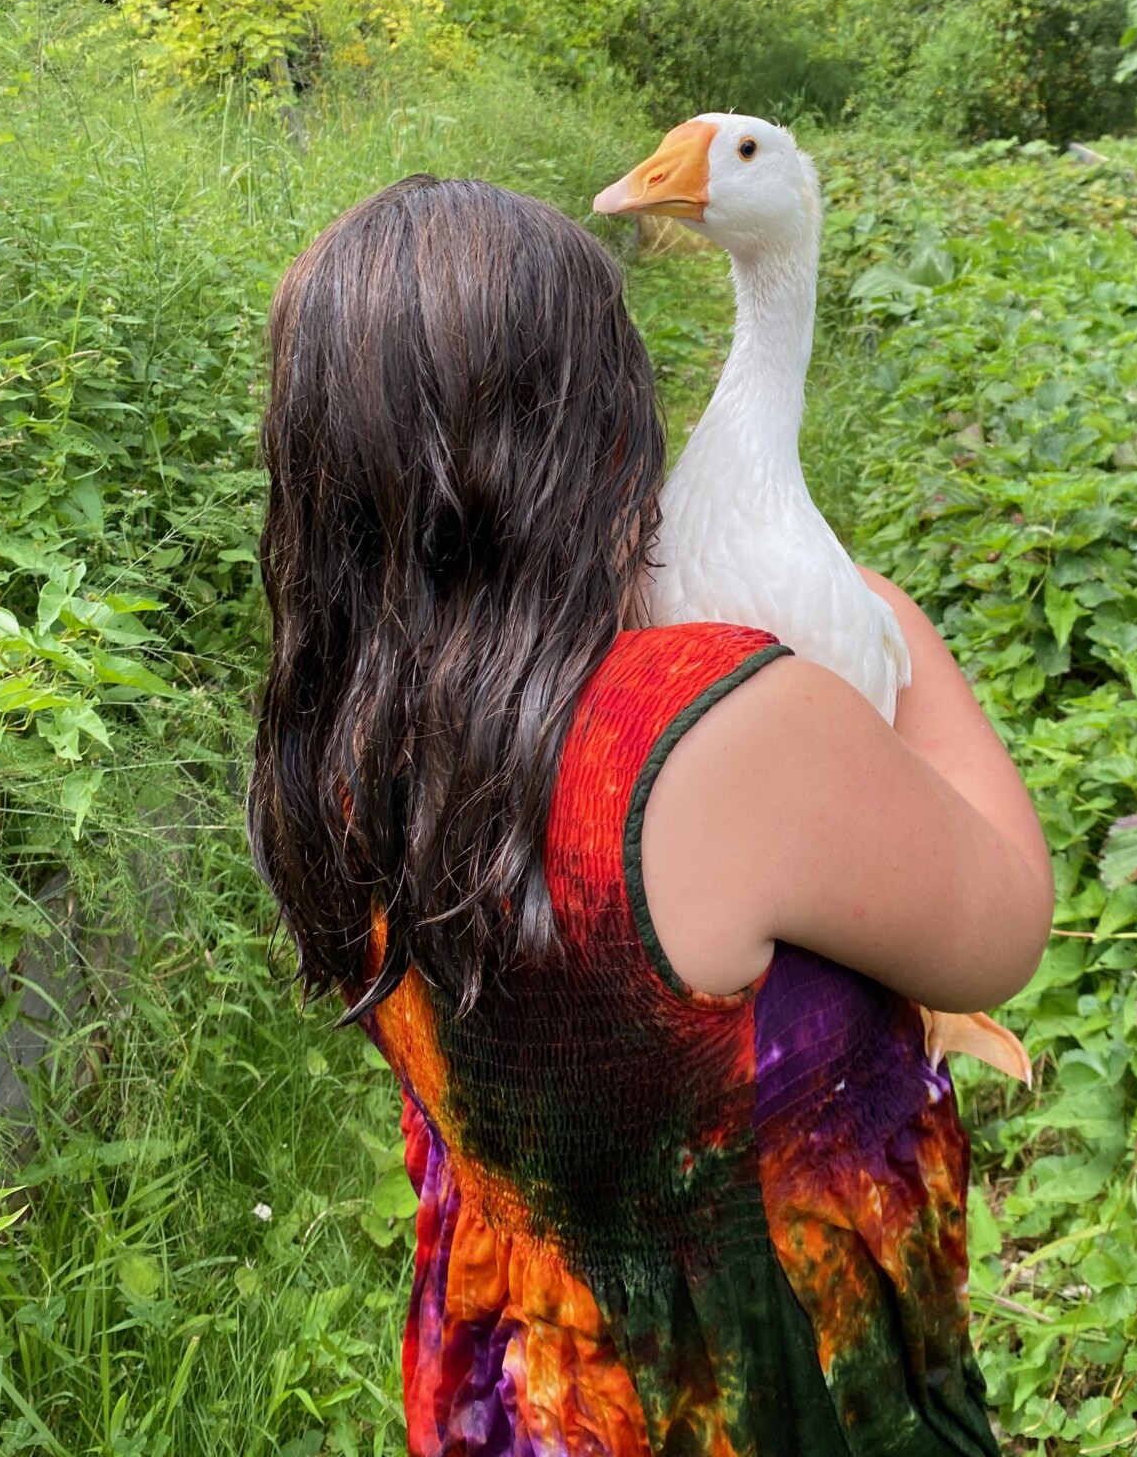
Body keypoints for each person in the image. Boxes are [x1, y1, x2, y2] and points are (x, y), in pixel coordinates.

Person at [248, 175, 1054, 1457]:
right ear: (603, 431)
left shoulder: (345, 739)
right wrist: (875, 609)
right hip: (762, 1392)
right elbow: (1006, 920)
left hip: (516, 1388)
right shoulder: (715, 729)